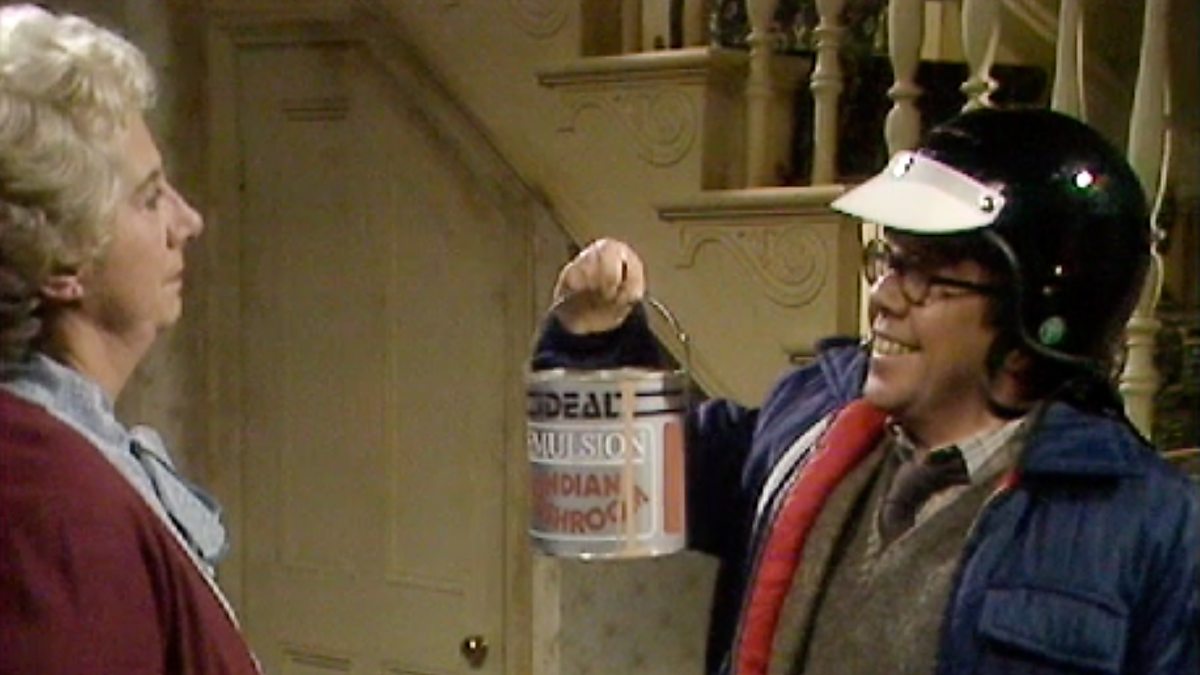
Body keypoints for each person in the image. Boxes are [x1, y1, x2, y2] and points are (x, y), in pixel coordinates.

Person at [532, 108, 1200, 674]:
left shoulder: (1147, 524)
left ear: (1040, 315)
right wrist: (593, 337)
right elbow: (622, 490)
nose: (884, 296)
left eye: (926, 274)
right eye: (889, 259)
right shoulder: (809, 420)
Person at [0, 5, 258, 673]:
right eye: (149, 198)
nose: (188, 220)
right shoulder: (53, 507)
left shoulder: (66, 452)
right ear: (61, 261)